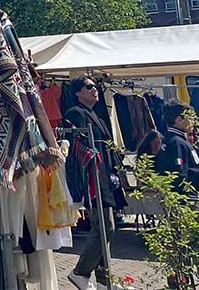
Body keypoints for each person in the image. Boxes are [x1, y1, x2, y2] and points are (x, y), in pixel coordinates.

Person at [63, 77, 120, 290]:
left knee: (104, 229)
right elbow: (76, 149)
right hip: (93, 178)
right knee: (106, 226)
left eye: (95, 87)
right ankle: (80, 271)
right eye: (89, 87)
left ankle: (105, 281)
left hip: (105, 177)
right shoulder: (75, 114)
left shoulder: (96, 114)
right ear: (78, 92)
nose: (95, 90)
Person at [155, 101, 199, 197]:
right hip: (188, 199)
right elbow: (179, 173)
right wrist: (187, 196)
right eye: (190, 118)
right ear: (179, 120)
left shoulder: (175, 140)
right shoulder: (177, 143)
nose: (193, 122)